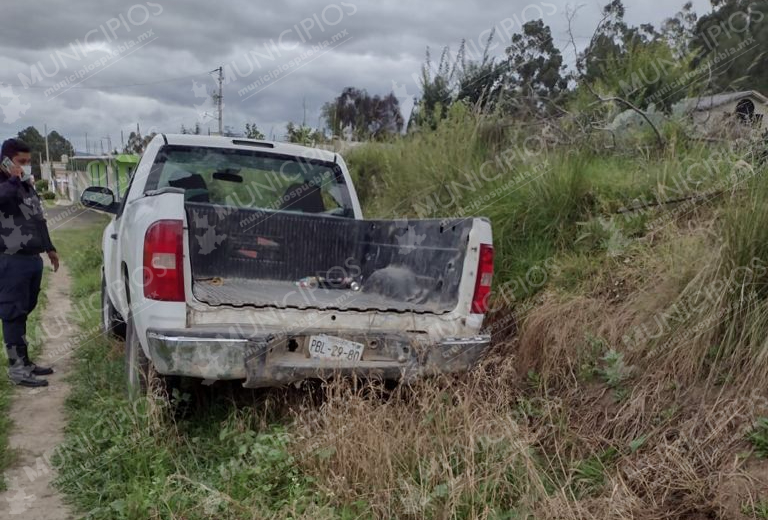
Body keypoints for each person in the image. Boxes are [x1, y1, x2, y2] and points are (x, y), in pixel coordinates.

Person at [0, 138, 59, 388]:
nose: (24, 166)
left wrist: (50, 247)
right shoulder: (7, 185)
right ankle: (17, 369)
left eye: (27, 162)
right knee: (13, 314)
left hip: (31, 259)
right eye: (20, 162)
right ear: (6, 159)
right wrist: (14, 178)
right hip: (10, 259)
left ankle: (24, 361)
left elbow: (38, 217)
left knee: (25, 310)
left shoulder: (25, 185)